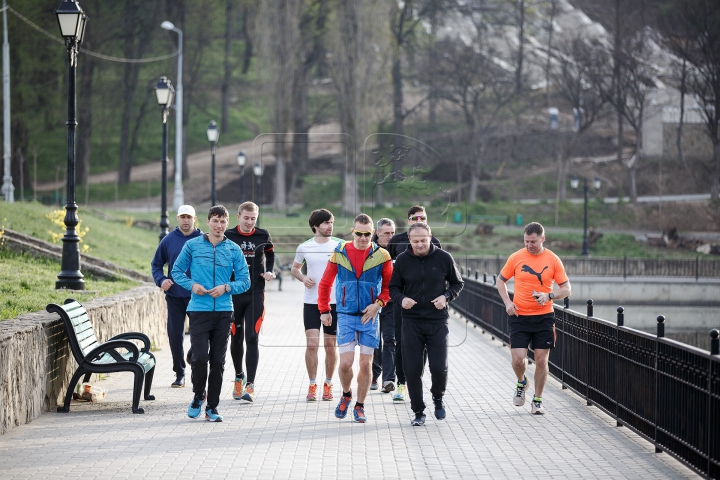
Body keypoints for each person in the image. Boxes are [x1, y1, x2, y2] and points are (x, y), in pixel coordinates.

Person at [171, 205, 250, 422]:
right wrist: (191, 285)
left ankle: (212, 407)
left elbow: (245, 281)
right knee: (198, 358)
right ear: (207, 222)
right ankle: (198, 396)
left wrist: (227, 287)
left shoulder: (234, 249)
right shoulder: (192, 245)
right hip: (198, 310)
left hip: (224, 311)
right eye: (215, 221)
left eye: (223, 221)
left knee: (218, 360)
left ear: (227, 224)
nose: (219, 225)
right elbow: (176, 271)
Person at [318, 214, 393, 423]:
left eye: (367, 234)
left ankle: (360, 406)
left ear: (373, 234)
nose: (362, 237)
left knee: (365, 364)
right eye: (359, 233)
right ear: (352, 232)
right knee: (345, 364)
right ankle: (346, 394)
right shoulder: (340, 252)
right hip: (345, 315)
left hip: (370, 317)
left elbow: (389, 287)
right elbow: (325, 284)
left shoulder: (382, 255)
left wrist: (378, 304)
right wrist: (324, 310)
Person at [389, 222, 463, 426]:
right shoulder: (403, 260)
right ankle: (418, 411)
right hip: (411, 321)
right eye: (415, 241)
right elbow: (393, 288)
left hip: (437, 321)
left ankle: (438, 397)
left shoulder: (444, 258)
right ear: (409, 241)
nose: (420, 244)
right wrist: (401, 299)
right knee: (412, 370)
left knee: (439, 368)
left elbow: (458, 283)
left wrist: (446, 296)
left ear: (430, 237)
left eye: (423, 240)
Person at [497, 222, 571, 415]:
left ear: (542, 239)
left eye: (534, 242)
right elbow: (500, 281)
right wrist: (507, 303)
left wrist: (550, 296)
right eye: (526, 241)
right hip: (520, 317)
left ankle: (537, 401)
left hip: (544, 317)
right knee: (518, 358)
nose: (530, 245)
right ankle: (522, 382)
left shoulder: (553, 260)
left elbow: (566, 288)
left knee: (540, 360)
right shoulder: (516, 257)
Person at [386, 205, 442, 402]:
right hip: (402, 303)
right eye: (415, 218)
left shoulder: (434, 242)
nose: (419, 220)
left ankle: (414, 380)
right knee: (401, 343)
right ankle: (401, 384)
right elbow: (389, 270)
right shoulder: (396, 241)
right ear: (408, 220)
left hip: (426, 305)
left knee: (424, 346)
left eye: (423, 217)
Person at [225, 202, 275, 403]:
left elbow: (270, 254)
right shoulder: (229, 236)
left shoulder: (263, 235)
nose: (249, 222)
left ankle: (251, 384)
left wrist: (270, 271)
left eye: (253, 218)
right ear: (238, 217)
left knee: (252, 337)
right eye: (246, 218)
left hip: (255, 292)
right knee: (236, 338)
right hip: (234, 294)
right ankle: (239, 376)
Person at [291, 209, 342, 402]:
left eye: (331, 222)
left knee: (330, 346)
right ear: (315, 225)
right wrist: (303, 277)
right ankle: (312, 384)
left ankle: (328, 384)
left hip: (334, 302)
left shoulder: (340, 245)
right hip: (311, 302)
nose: (330, 226)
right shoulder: (304, 247)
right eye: (326, 223)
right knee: (312, 344)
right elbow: (294, 269)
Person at [151, 205, 203, 388]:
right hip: (174, 296)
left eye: (189, 217)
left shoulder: (203, 240)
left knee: (201, 334)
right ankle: (179, 373)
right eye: (183, 217)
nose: (186, 220)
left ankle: (191, 356)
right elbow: (156, 265)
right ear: (178, 218)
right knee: (175, 335)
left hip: (198, 296)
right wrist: (161, 280)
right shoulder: (168, 240)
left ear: (195, 218)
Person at [370, 218, 397, 394]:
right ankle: (374, 374)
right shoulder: (369, 250)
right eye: (386, 233)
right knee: (373, 341)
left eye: (392, 233)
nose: (390, 236)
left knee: (389, 339)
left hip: (391, 302)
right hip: (371, 302)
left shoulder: (398, 250)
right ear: (377, 233)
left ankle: (389, 379)